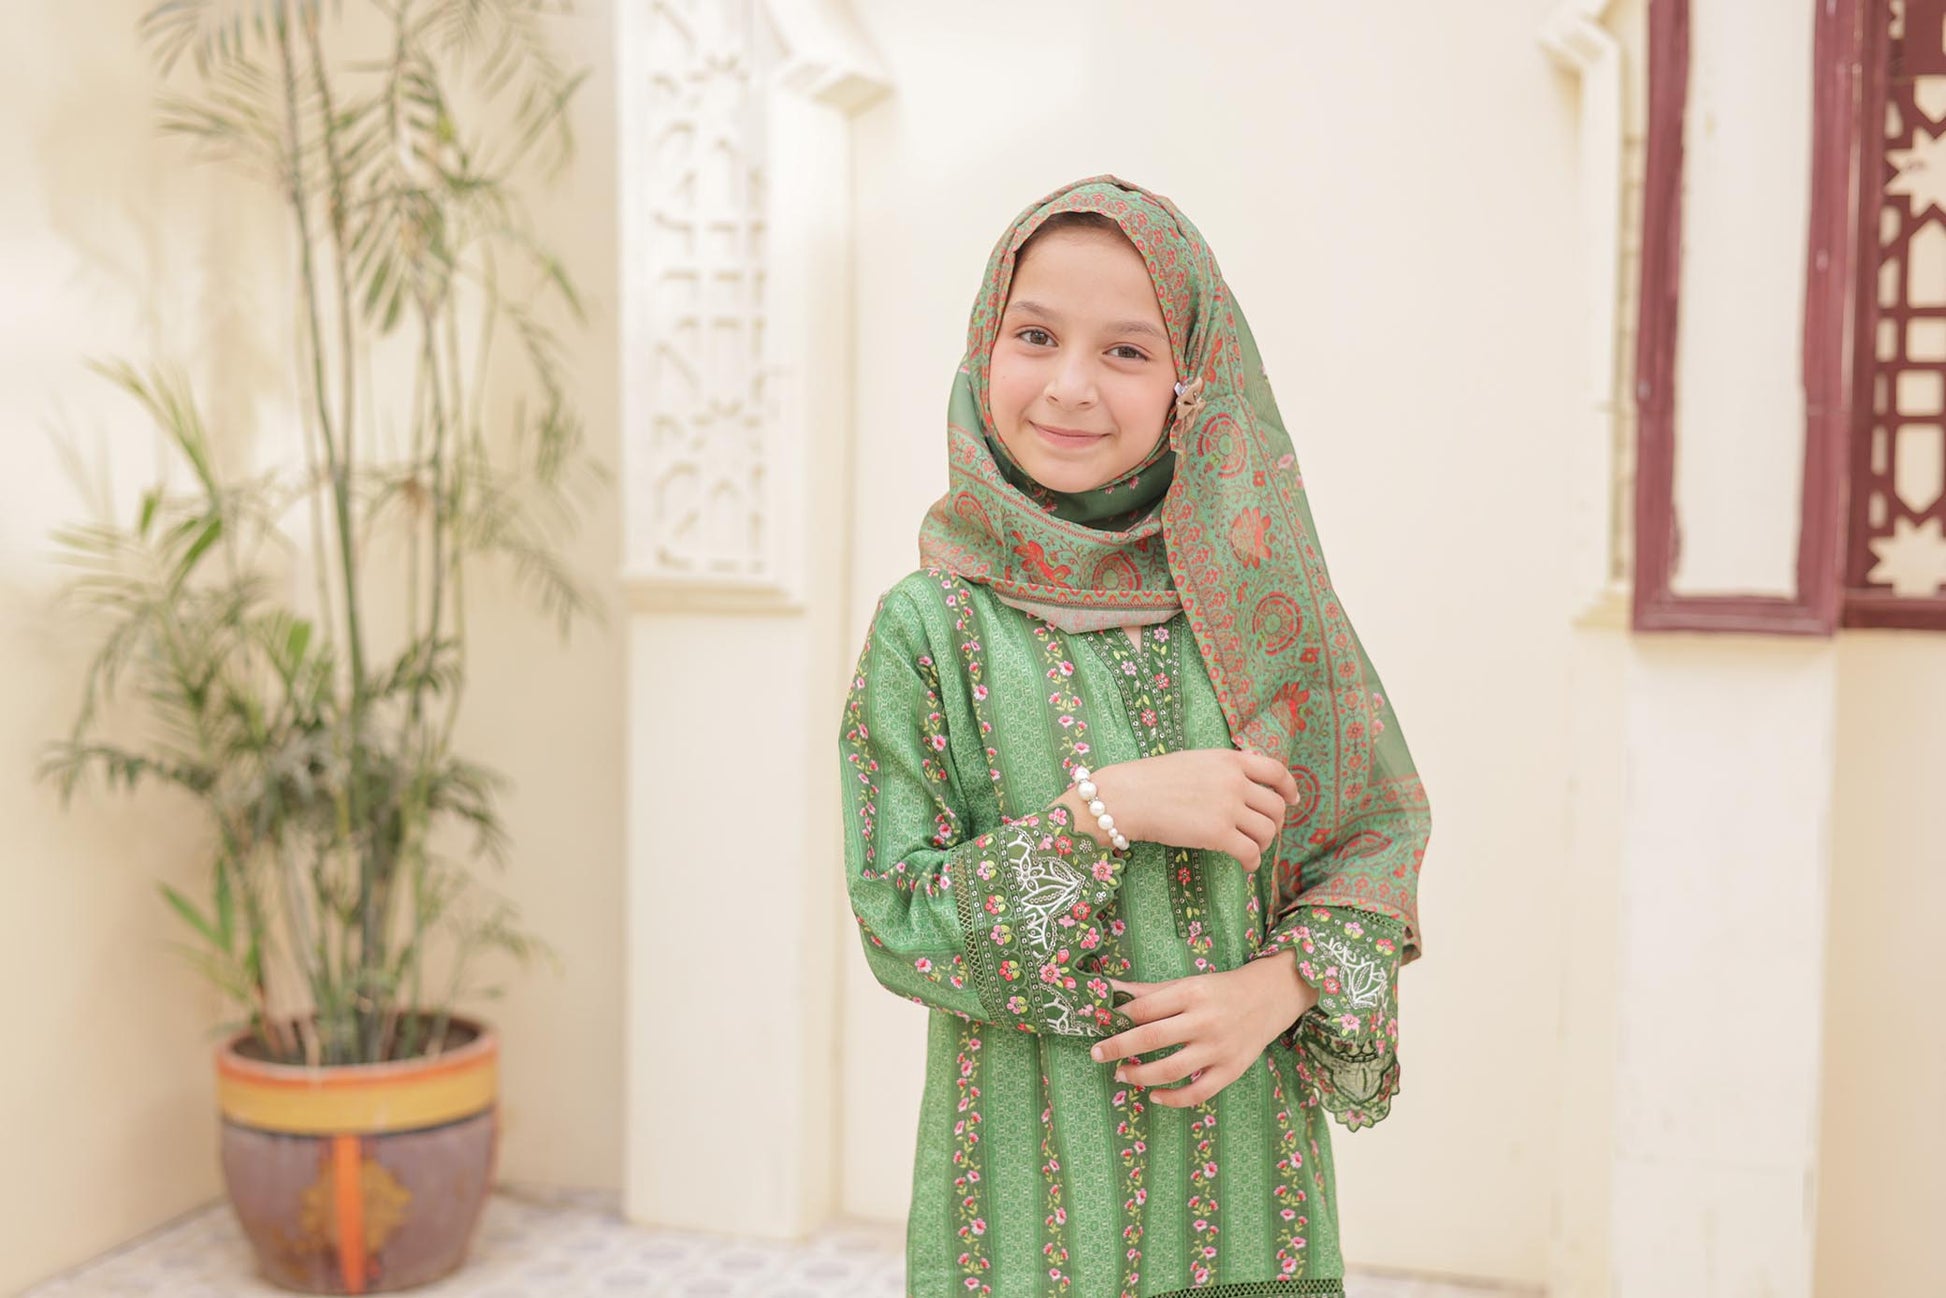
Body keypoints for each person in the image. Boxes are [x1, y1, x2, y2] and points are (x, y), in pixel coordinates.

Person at [838, 175, 1432, 1298]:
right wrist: (1103, 811)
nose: (1067, 385)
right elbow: (898, 915)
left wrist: (1278, 987)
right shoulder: (929, 626)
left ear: (1190, 385)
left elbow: (1376, 834)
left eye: (1124, 350)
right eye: (1034, 334)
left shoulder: (1256, 599)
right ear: (982, 349)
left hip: (1247, 1187)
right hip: (1018, 1209)